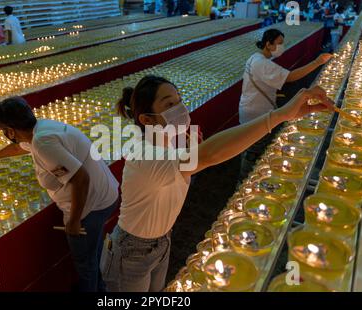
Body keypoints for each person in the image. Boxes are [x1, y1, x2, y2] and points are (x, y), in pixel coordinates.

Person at [100, 75, 334, 292]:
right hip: (131, 251)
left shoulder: (171, 142)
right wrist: (279, 115)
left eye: (179, 100)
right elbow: (209, 156)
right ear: (147, 119)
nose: (180, 108)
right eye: (169, 105)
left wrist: (194, 151)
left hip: (163, 240)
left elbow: (195, 164)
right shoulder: (144, 154)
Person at [0, 97, 119, 292]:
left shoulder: (43, 142)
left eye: (3, 131)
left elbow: (80, 179)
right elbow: (18, 147)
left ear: (10, 131)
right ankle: (100, 288)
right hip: (105, 193)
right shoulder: (39, 129)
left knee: (86, 264)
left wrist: (74, 221)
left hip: (91, 205)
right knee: (93, 253)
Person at [238, 29, 333, 180]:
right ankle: (246, 180)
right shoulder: (261, 63)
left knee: (249, 145)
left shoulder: (256, 58)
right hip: (256, 113)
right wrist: (317, 62)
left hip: (252, 109)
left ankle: (251, 175)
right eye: (279, 43)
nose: (282, 47)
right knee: (253, 149)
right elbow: (290, 77)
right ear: (268, 44)